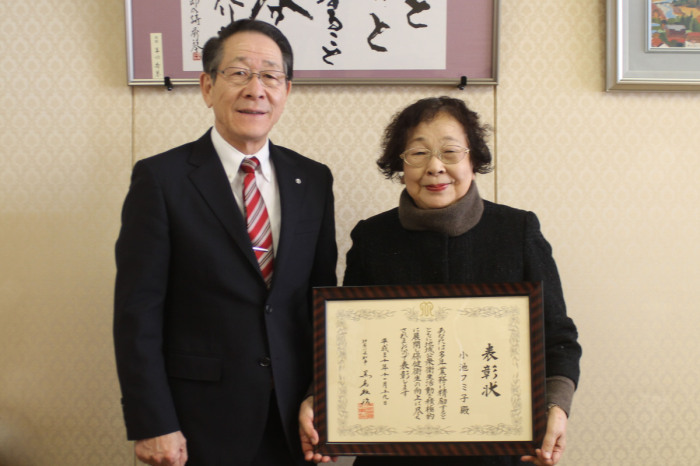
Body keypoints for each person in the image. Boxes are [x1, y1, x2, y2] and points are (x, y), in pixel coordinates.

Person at [113, 19, 337, 466]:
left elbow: (321, 300)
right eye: (239, 73)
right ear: (207, 86)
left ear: (286, 91)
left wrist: (323, 401)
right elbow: (138, 311)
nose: (256, 89)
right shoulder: (161, 179)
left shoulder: (312, 178)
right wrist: (153, 422)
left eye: (271, 76)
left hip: (294, 420)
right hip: (197, 422)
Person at [342, 97, 582, 466]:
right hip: (393, 454)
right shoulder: (372, 238)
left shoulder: (517, 231)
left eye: (450, 151)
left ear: (473, 159)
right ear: (400, 163)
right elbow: (348, 344)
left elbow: (559, 338)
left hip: (501, 453)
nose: (435, 167)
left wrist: (556, 407)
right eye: (419, 153)